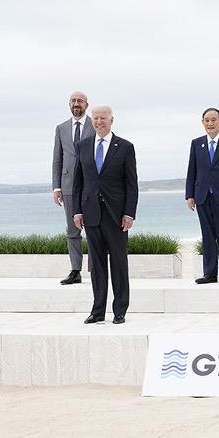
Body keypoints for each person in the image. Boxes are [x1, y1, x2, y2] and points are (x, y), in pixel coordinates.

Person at [72, 105, 138, 325]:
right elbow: (78, 181)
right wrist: (77, 211)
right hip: (91, 214)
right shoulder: (82, 146)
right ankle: (98, 310)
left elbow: (131, 184)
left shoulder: (125, 147)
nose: (99, 121)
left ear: (112, 120)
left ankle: (120, 310)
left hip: (116, 215)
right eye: (96, 118)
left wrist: (129, 213)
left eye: (103, 118)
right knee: (97, 265)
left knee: (119, 263)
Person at [185, 108, 219, 284]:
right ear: (203, 122)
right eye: (207, 120)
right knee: (207, 235)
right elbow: (191, 170)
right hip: (202, 196)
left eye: (214, 120)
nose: (210, 123)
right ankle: (209, 273)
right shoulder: (196, 143)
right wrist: (189, 195)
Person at [52, 91, 95, 285]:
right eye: (73, 101)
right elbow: (57, 159)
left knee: (94, 228)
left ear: (86, 104)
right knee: (72, 230)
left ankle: (95, 269)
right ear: (69, 104)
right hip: (68, 186)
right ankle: (75, 270)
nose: (76, 104)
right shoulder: (61, 128)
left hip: (91, 185)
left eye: (80, 101)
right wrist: (56, 187)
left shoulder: (94, 124)